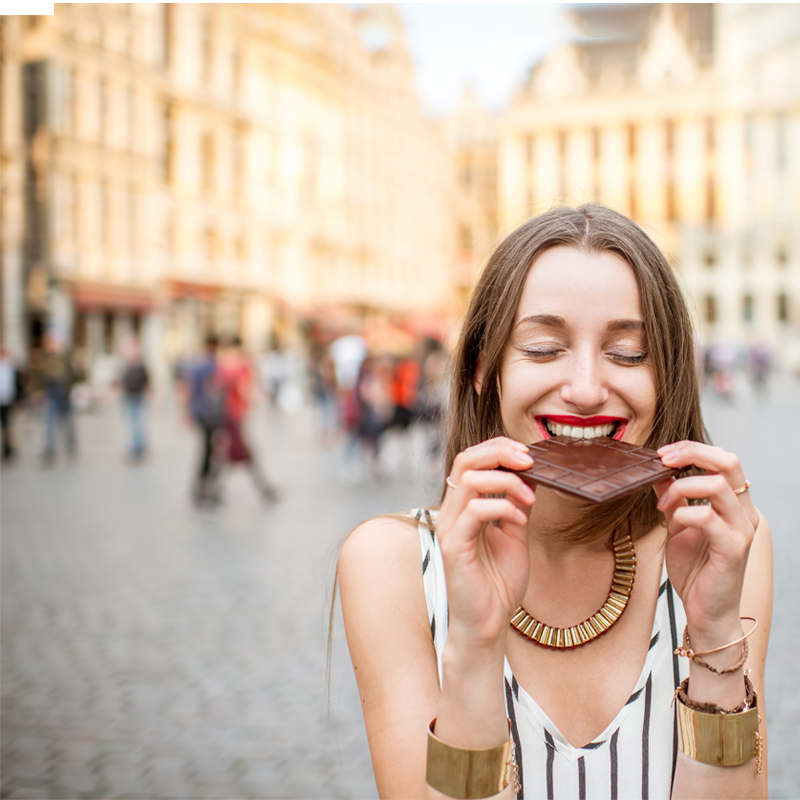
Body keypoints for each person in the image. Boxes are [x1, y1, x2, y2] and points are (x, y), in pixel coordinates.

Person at [337, 205, 771, 800]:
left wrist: (716, 633)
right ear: (483, 370)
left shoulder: (722, 542)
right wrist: (474, 645)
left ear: (667, 375)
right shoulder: (391, 565)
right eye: (543, 349)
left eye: (628, 353)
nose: (588, 389)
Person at [217, 336, 279, 501]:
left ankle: (213, 489)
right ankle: (264, 489)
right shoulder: (242, 365)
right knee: (242, 452)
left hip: (225, 414)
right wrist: (255, 398)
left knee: (230, 452)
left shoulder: (222, 364)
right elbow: (245, 388)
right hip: (236, 414)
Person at [184, 335, 225, 505]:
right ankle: (205, 488)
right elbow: (214, 389)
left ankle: (201, 488)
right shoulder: (213, 366)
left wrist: (187, 412)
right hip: (211, 414)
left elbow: (188, 388)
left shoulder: (197, 365)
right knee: (211, 453)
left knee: (207, 451)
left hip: (199, 412)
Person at [40, 330, 78, 464]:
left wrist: (69, 386)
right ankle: (50, 449)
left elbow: (74, 374)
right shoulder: (46, 358)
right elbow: (40, 377)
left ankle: (71, 446)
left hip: (64, 394)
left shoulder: (65, 358)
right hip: (51, 393)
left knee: (68, 423)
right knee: (50, 423)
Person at [120, 338, 150, 461]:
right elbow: (122, 383)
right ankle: (135, 447)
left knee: (137, 424)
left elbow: (147, 382)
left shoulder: (140, 365)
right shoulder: (127, 366)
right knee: (132, 424)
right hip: (130, 397)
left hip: (138, 397)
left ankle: (138, 448)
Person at [0, 344, 22, 461]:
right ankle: (6, 447)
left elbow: (17, 383)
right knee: (4, 425)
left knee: (8, 424)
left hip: (8, 399)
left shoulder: (10, 366)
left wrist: (18, 399)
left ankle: (10, 447)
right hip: (2, 399)